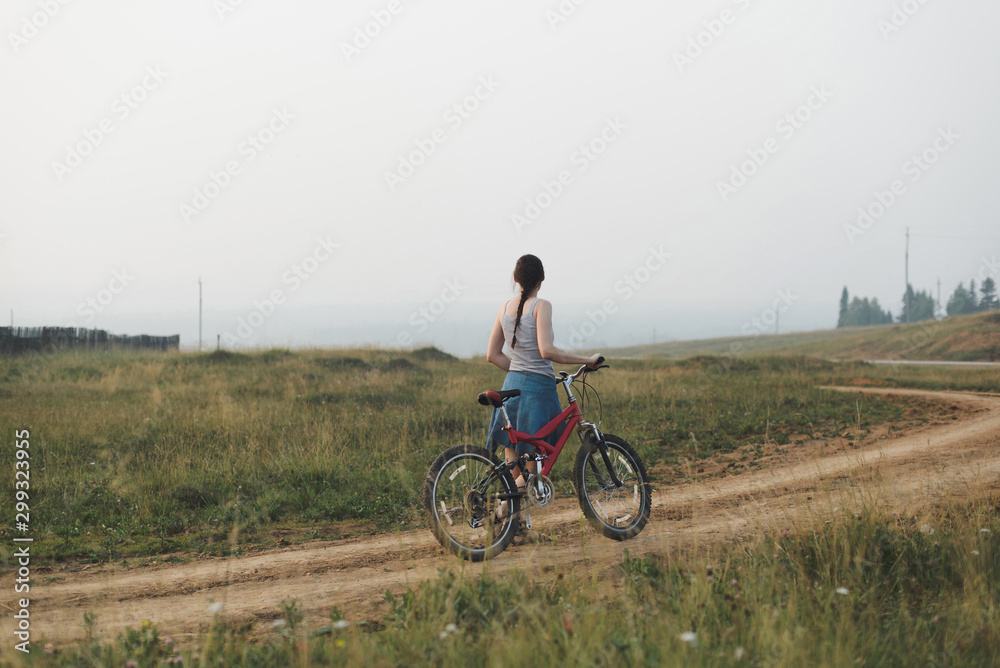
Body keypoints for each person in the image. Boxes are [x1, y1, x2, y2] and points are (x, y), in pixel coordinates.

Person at [486, 254, 603, 543]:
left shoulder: (504, 307)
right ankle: (503, 512)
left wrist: (517, 370)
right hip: (538, 388)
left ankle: (515, 529)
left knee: (513, 455)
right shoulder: (541, 306)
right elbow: (548, 351)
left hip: (511, 385)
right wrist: (586, 360)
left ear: (515, 280)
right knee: (536, 460)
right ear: (542, 278)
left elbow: (492, 355)